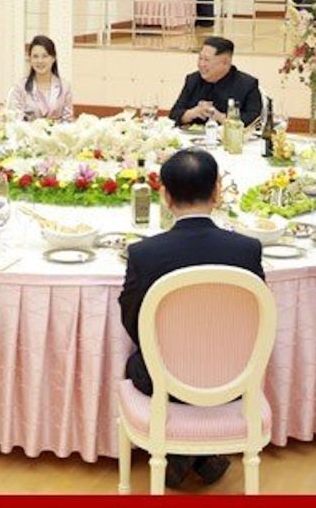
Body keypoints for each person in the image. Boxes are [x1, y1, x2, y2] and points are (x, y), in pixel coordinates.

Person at [118, 148, 264, 488]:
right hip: (234, 376)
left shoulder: (144, 254)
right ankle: (202, 458)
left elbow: (133, 322)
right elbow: (255, 318)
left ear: (165, 196)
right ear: (217, 192)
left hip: (164, 377)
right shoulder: (246, 249)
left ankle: (183, 455)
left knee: (136, 364)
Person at [168, 36, 262, 127]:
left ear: (225, 62)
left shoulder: (247, 84)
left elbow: (254, 120)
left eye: (207, 60)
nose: (201, 64)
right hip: (193, 139)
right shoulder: (193, 80)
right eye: (200, 58)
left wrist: (220, 117)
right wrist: (192, 113)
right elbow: (174, 114)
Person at [5, 35, 74, 122]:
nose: (40, 61)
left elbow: (68, 121)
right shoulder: (20, 87)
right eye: (35, 56)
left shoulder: (65, 87)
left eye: (45, 56)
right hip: (27, 134)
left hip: (56, 134)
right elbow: (14, 119)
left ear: (53, 58)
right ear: (30, 59)